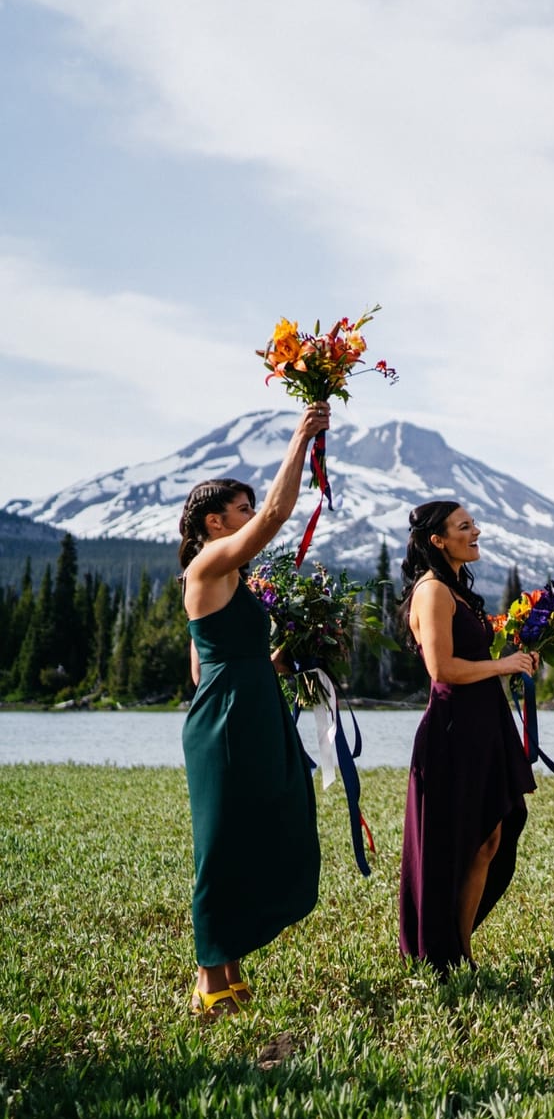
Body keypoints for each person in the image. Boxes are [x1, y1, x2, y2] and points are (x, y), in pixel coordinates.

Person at [177, 402, 329, 1020]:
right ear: (216, 523)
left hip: (249, 705)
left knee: (268, 823)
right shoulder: (208, 563)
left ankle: (231, 965)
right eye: (237, 512)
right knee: (220, 843)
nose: (249, 518)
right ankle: (209, 976)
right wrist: (300, 438)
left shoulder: (229, 580)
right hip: (227, 721)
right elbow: (276, 514)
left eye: (245, 510)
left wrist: (283, 660)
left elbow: (201, 665)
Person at [397, 501, 540, 974]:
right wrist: (505, 665)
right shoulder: (433, 591)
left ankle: (460, 950)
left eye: (473, 523)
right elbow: (442, 669)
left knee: (490, 836)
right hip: (453, 731)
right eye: (465, 526)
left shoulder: (456, 590)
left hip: (482, 727)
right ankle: (444, 955)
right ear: (438, 540)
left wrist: (520, 654)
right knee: (454, 843)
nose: (475, 530)